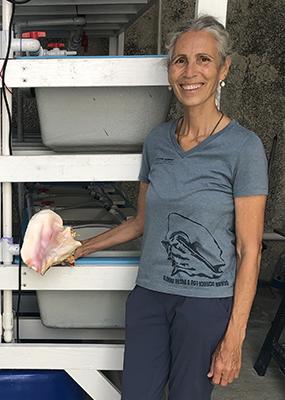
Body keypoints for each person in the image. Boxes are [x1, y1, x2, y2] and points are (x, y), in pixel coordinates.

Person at [74, 15, 268, 400]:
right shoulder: (158, 140)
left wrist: (234, 337)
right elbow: (142, 221)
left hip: (205, 304)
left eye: (204, 60)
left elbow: (249, 250)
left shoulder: (244, 148)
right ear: (169, 71)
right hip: (149, 295)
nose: (190, 72)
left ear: (223, 68)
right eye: (180, 60)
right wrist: (79, 248)